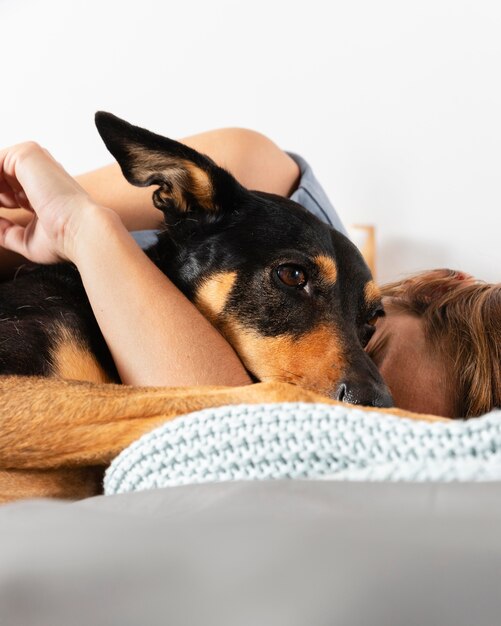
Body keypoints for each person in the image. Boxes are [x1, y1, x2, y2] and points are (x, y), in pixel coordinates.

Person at [0, 129, 499, 419]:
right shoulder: (258, 181)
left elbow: (231, 430)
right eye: (374, 344)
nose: (336, 405)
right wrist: (78, 226)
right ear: (441, 283)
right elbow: (16, 226)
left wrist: (89, 230)